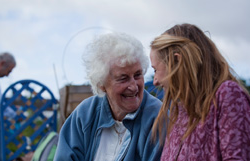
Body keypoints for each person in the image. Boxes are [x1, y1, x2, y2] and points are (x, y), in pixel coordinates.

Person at [54, 32, 163, 161]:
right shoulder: (84, 114)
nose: (134, 86)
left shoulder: (158, 119)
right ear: (101, 84)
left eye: (138, 75)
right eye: (123, 79)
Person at [150, 23, 250, 160]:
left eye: (156, 70)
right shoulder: (178, 111)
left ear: (177, 61)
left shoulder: (227, 95)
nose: (155, 81)